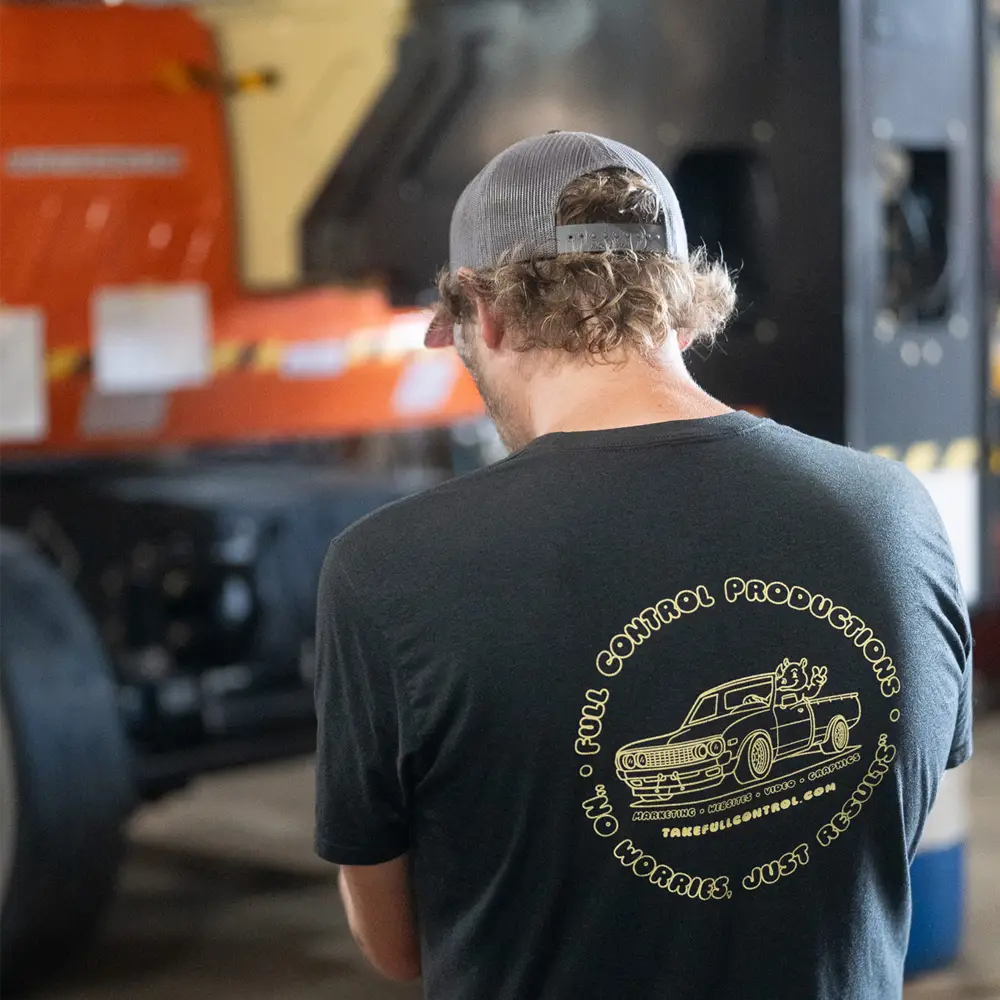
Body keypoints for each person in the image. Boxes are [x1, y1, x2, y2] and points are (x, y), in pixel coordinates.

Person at [313, 131, 972, 1000]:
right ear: (688, 309)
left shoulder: (385, 572)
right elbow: (887, 840)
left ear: (486, 312)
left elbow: (400, 944)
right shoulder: (894, 515)